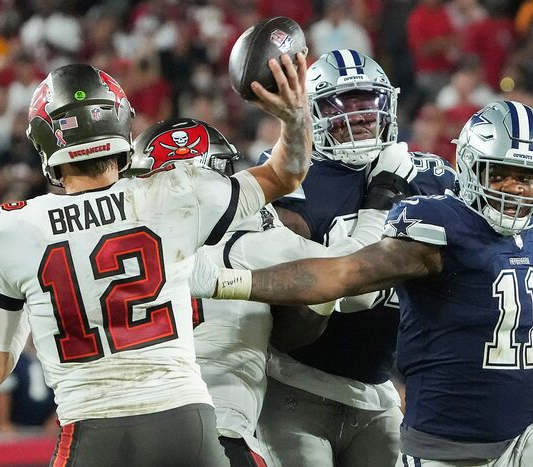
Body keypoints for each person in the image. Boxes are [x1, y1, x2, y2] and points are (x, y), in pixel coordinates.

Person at [0, 54, 311, 467]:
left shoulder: (6, 231)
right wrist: (294, 116)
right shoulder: (173, 194)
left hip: (93, 430)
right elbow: (287, 173)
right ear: (120, 122)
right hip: (186, 423)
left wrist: (22, 299)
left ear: (45, 141)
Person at [203, 100, 533, 466]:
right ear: (471, 169)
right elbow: (338, 274)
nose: (513, 189)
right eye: (500, 174)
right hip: (441, 447)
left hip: (519, 438)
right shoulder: (439, 226)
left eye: (528, 178)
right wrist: (222, 281)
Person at [124, 115, 414, 466]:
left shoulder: (109, 240)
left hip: (121, 427)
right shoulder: (239, 235)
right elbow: (347, 277)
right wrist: (381, 196)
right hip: (212, 428)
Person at [252, 49, 458, 467]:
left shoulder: (429, 174)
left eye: (368, 101)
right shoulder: (290, 177)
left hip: (377, 386)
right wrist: (378, 203)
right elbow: (301, 284)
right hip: (294, 383)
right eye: (341, 103)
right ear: (310, 112)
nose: (360, 115)